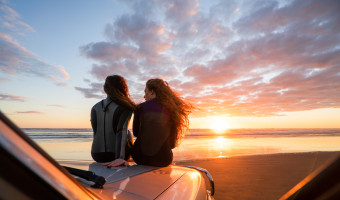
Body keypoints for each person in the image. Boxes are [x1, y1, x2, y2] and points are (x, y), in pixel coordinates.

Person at [132, 78, 192, 167]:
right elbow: (172, 143)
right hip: (163, 159)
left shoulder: (140, 107)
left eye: (145, 92)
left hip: (139, 157)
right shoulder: (173, 109)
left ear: (152, 91)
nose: (144, 96)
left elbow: (136, 133)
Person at [90, 75, 136, 167]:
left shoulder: (95, 107)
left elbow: (95, 132)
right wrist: (120, 157)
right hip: (115, 155)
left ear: (105, 88)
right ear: (124, 88)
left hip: (96, 155)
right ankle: (121, 155)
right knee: (127, 132)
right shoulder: (125, 106)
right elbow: (121, 131)